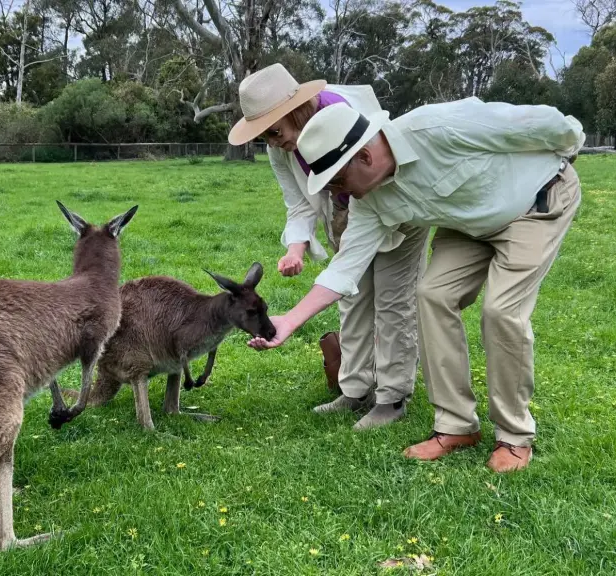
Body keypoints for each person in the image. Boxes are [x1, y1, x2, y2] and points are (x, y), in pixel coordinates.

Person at [247, 98, 585, 473]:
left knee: (501, 311)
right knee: (432, 295)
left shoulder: (438, 127)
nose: (339, 194)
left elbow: (538, 121)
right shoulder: (368, 201)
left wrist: (570, 145)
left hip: (535, 203)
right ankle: (455, 425)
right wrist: (290, 321)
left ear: (364, 157)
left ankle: (515, 436)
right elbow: (345, 268)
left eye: (338, 182)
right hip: (468, 224)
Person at [228, 63, 430, 430]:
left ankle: (392, 397)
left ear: (295, 110)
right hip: (344, 212)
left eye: (274, 131)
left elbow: (381, 166)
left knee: (392, 300)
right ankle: (355, 389)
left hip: (393, 208)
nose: (272, 142)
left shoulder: (346, 114)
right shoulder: (281, 148)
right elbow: (298, 203)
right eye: (264, 136)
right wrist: (296, 248)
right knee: (351, 298)